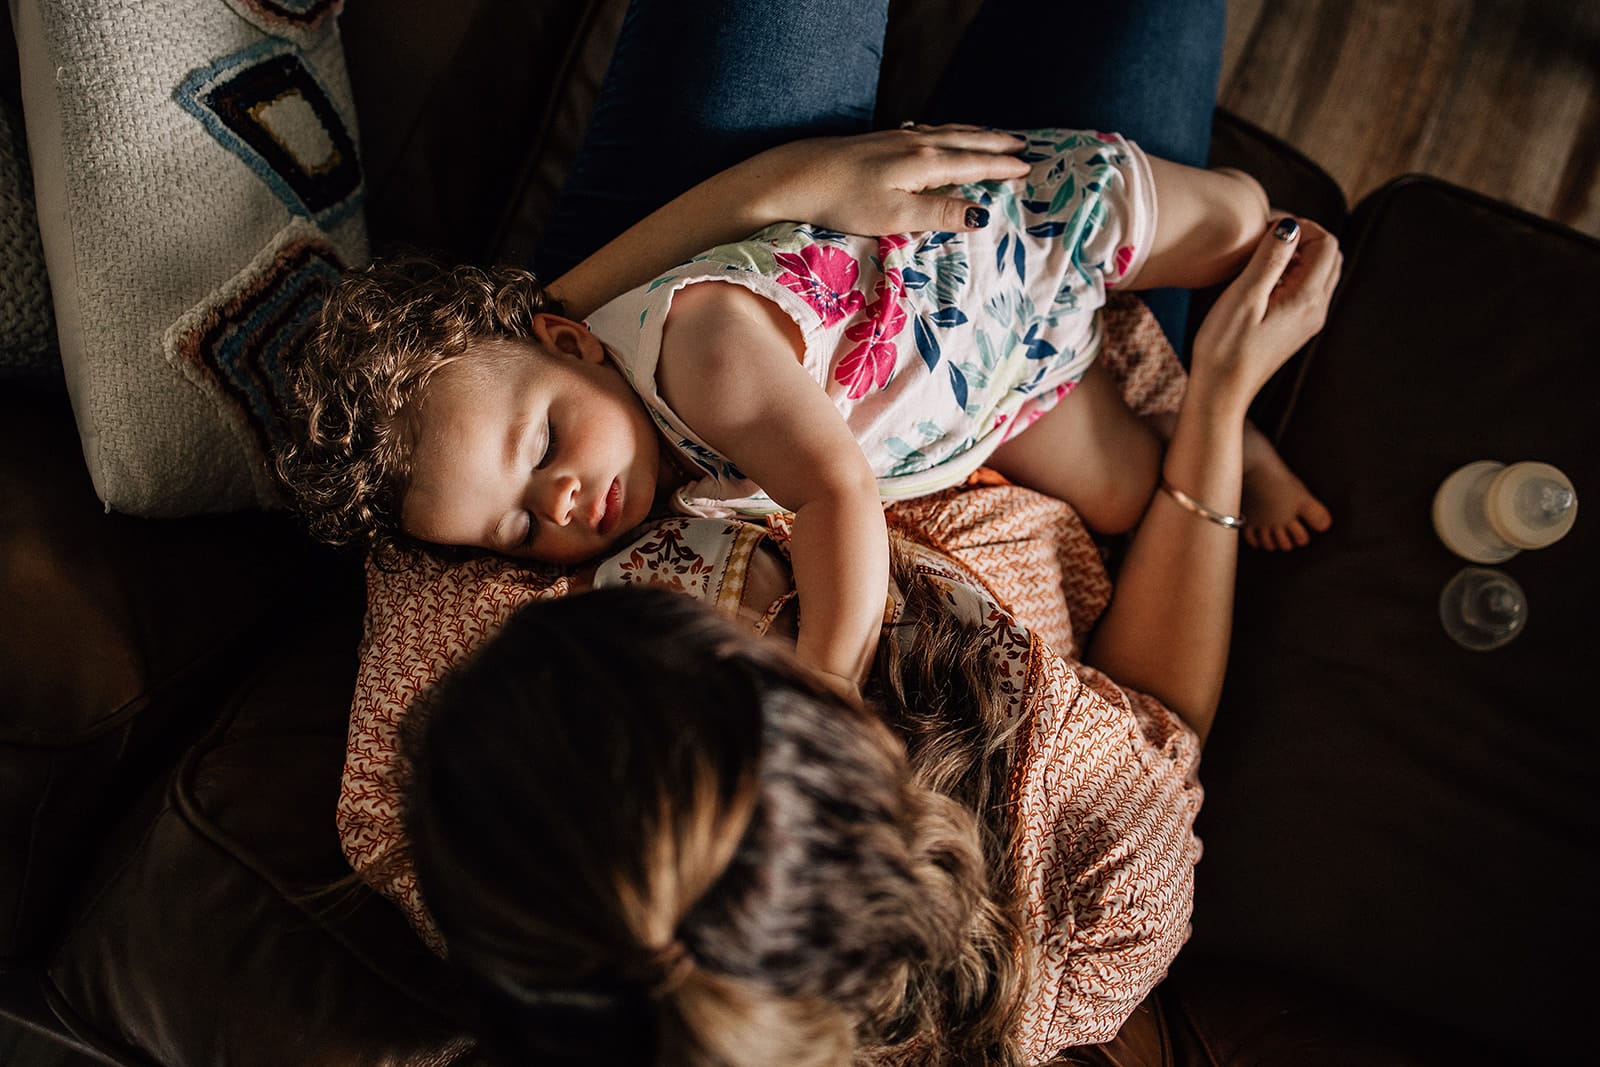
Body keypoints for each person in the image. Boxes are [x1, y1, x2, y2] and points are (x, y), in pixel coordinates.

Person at [283, 135, 1331, 695]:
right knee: (1125, 491)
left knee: (1241, 224)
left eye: (545, 441)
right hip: (987, 386)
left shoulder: (698, 356)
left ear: (571, 340)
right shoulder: (637, 471)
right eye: (516, 524)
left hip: (1017, 237)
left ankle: (1224, 275)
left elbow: (836, 492)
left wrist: (828, 670)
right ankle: (1225, 425)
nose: (558, 501)